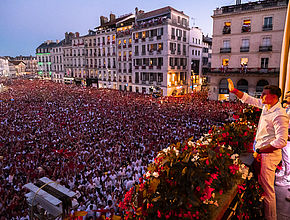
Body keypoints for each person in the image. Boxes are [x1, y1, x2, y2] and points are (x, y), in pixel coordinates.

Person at [227, 79, 289, 220]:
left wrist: (260, 151)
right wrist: (234, 91)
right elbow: (249, 99)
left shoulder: (279, 115)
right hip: (263, 153)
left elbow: (281, 141)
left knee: (268, 191)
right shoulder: (267, 106)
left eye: (264, 94)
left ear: (274, 97)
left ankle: (271, 217)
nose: (261, 97)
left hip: (268, 156)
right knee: (264, 187)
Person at [275, 91, 290, 187]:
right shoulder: (287, 108)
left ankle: (287, 178)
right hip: (285, 136)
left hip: (288, 136)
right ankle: (284, 171)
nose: (286, 97)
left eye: (288, 96)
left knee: (288, 158)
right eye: (286, 95)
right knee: (284, 156)